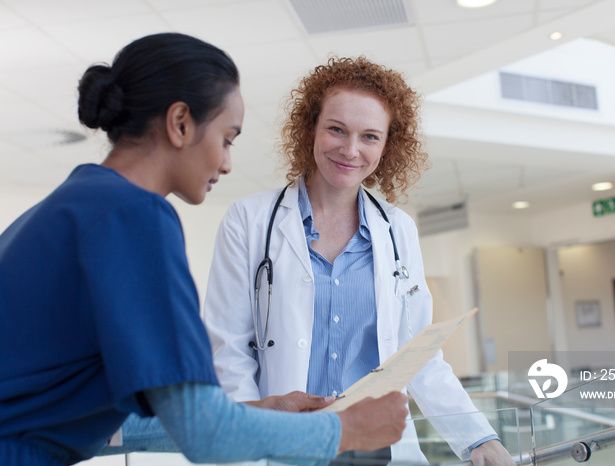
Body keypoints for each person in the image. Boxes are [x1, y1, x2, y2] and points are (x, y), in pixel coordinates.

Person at [0, 34, 410, 466]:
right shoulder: (133, 216)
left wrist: (257, 413)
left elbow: (131, 424)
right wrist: (345, 429)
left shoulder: (75, 207)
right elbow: (204, 434)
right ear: (180, 123)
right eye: (227, 138)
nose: (228, 162)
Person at [203, 57, 516, 465]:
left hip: (377, 449)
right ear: (310, 127)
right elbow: (228, 350)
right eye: (336, 129)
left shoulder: (398, 230)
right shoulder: (249, 221)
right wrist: (246, 443)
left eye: (370, 136)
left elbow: (418, 353)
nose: (351, 150)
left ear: (388, 144)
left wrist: (477, 439)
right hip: (286, 446)